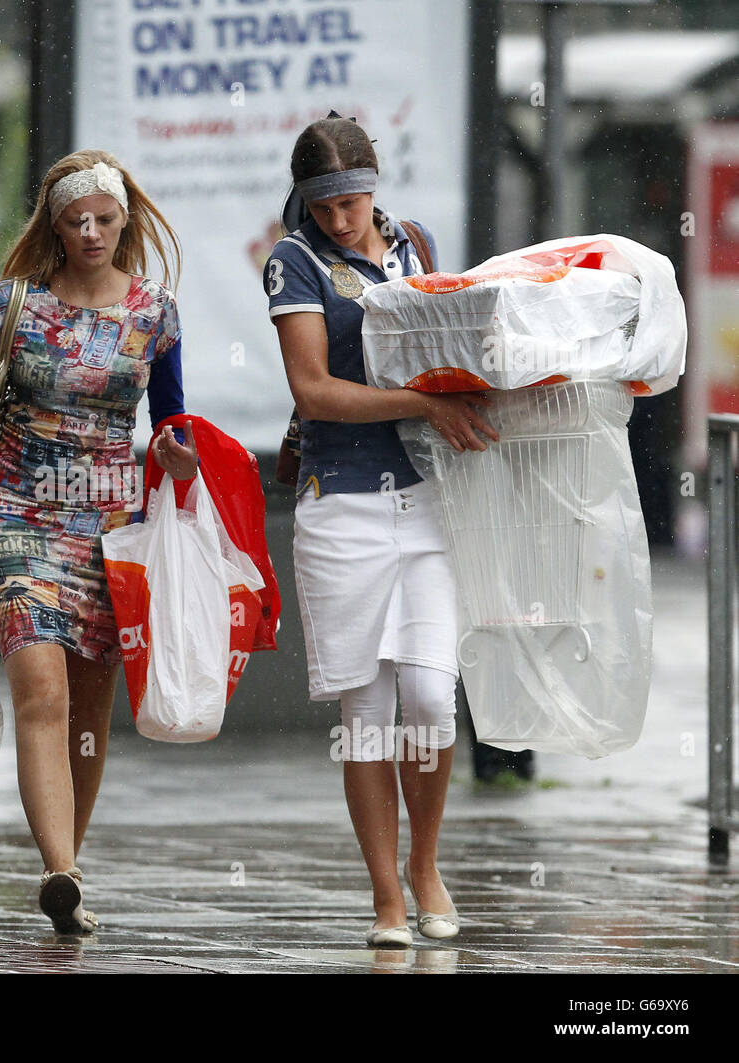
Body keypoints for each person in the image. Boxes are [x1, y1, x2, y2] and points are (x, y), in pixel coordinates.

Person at [0, 150, 197, 935]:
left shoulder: (155, 315)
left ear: (124, 219)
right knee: (42, 692)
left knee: (90, 718)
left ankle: (69, 867)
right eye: (77, 221)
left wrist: (176, 451)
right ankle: (59, 869)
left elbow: (171, 417)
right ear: (56, 227)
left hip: (108, 529)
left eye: (105, 217)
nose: (93, 231)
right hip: (17, 519)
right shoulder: (11, 309)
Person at [264, 113, 497, 947]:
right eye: (324, 205)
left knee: (432, 693)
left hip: (428, 493)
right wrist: (424, 402)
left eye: (352, 199)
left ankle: (426, 862)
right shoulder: (293, 261)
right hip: (343, 503)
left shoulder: (418, 244)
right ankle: (386, 896)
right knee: (366, 710)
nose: (341, 218)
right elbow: (315, 391)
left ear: (374, 184)